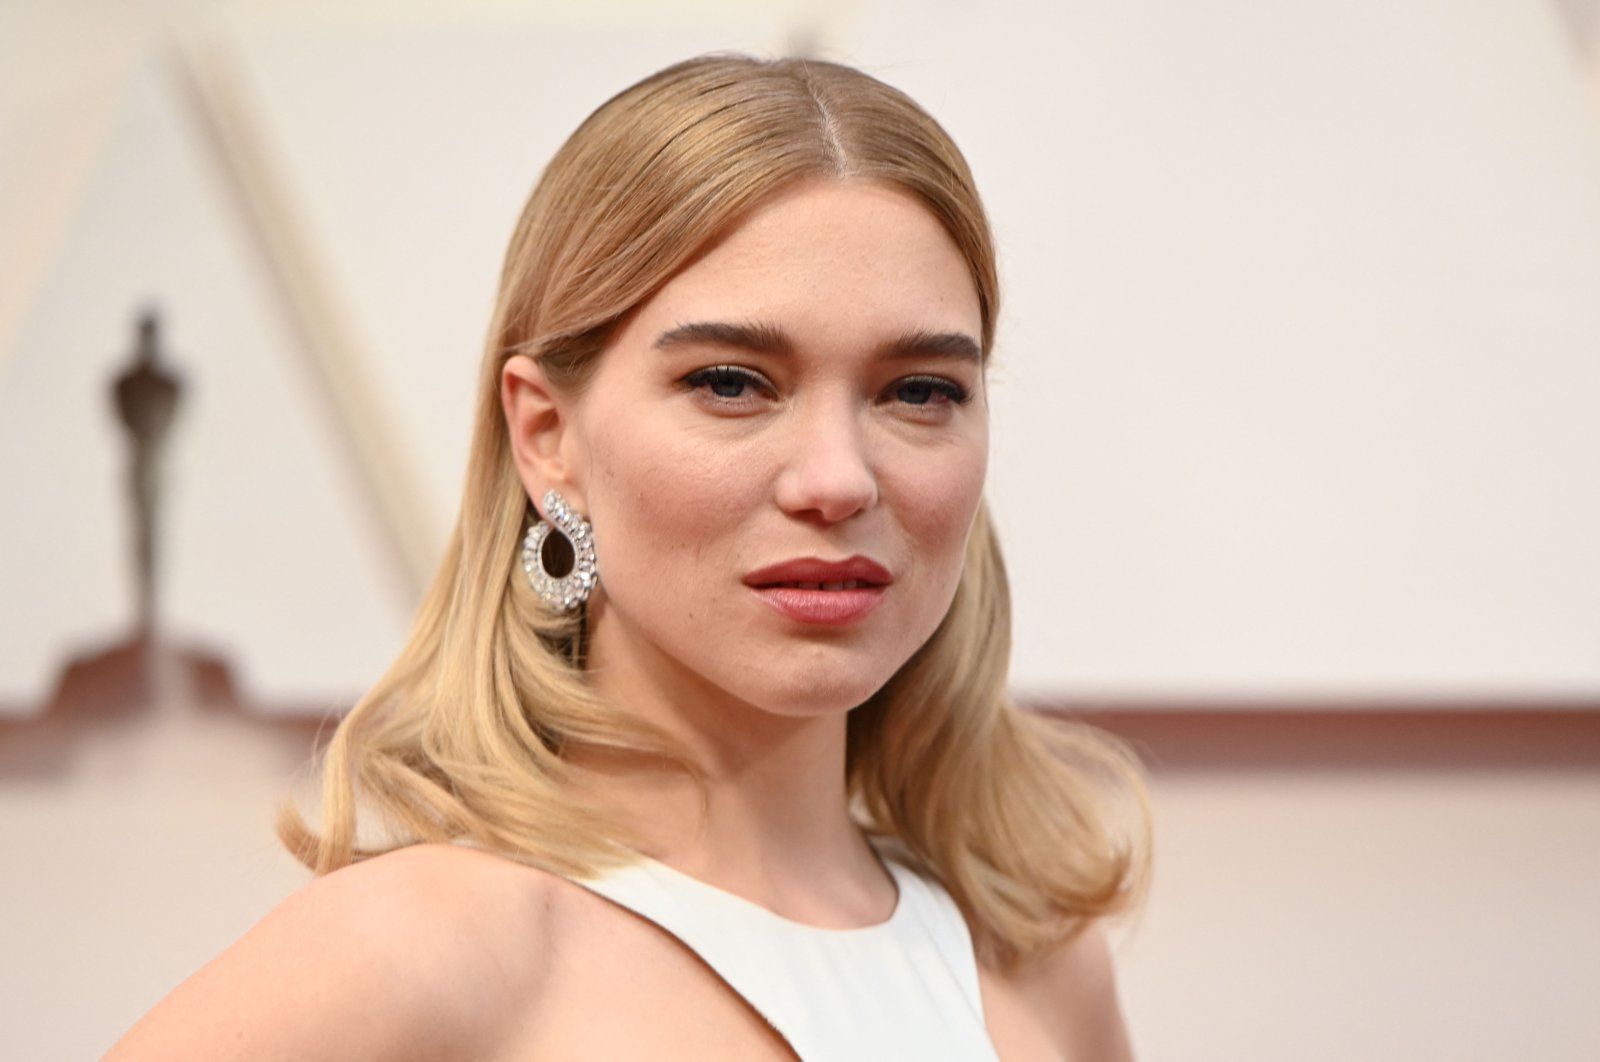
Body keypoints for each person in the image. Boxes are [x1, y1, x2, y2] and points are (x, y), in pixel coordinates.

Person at [107, 54, 1150, 1060]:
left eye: (919, 391)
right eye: (732, 383)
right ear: (546, 435)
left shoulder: (1038, 966)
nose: (837, 479)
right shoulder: (423, 951)